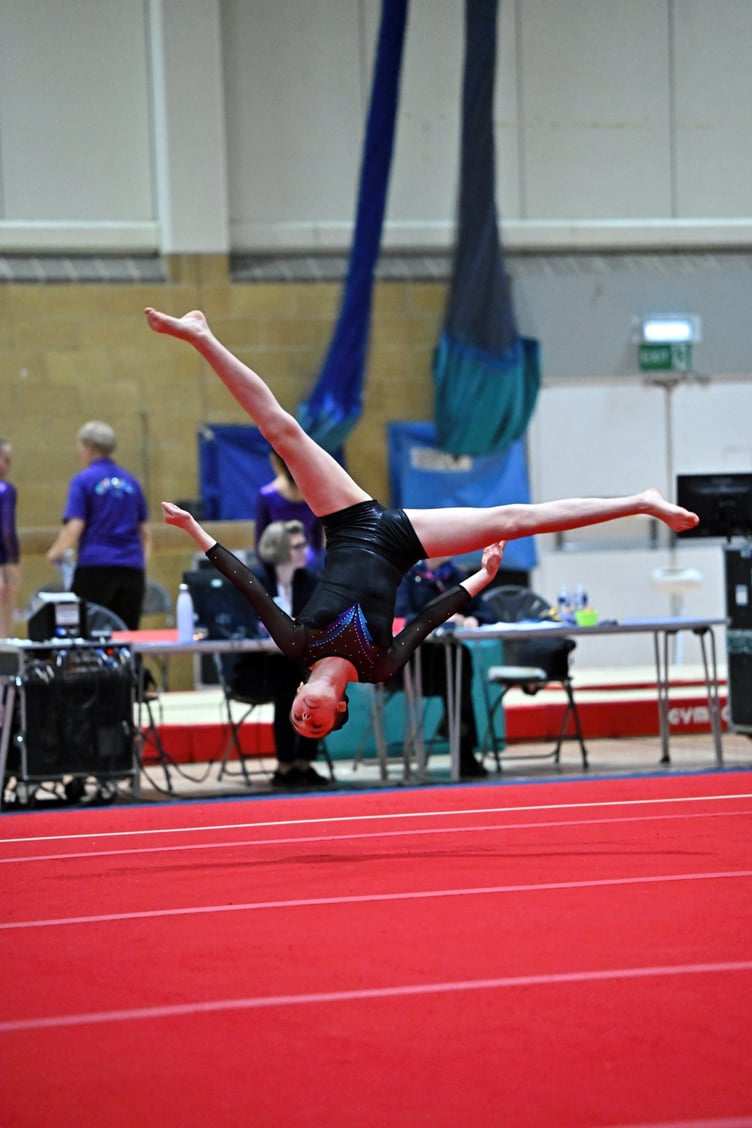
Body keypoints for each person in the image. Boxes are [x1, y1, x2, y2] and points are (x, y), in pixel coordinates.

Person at [144, 307, 700, 742]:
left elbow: (251, 586)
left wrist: (195, 531)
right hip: (404, 542)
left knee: (284, 435)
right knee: (515, 518)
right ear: (340, 708)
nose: (306, 715)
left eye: (297, 718)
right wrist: (482, 579)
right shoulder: (379, 666)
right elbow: (430, 616)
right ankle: (642, 502)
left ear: (296, 696)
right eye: (316, 724)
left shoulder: (297, 643)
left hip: (350, 519)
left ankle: (200, 335)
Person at [231, 519, 330, 788]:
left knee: (319, 686)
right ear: (279, 548)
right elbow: (242, 623)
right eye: (296, 546)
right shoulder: (256, 580)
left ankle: (303, 763)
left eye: (304, 545)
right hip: (258, 666)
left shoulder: (308, 580)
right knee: (288, 685)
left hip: (296, 662)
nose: (304, 551)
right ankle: (287, 764)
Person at [393, 555, 491, 779]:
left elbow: (487, 612)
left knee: (459, 658)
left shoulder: (457, 577)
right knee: (458, 662)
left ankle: (462, 744)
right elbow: (401, 616)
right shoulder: (408, 578)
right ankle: (460, 742)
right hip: (414, 663)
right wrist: (440, 618)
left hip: (450, 663)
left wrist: (472, 619)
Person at [46, 421, 151, 629]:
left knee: (83, 634)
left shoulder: (83, 480)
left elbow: (75, 525)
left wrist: (55, 552)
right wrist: (139, 562)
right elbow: (145, 533)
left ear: (88, 447)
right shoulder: (131, 482)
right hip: (132, 570)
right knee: (127, 636)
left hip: (96, 567)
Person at [255, 452, 324, 568]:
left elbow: (260, 537)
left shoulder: (267, 494)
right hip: (304, 559)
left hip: (284, 561)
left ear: (274, 461)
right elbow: (318, 537)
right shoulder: (314, 491)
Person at [0, 438, 20, 639]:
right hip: (3, 563)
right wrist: (8, 569)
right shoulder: (5, 490)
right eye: (5, 459)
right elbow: (6, 530)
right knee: (3, 632)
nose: (8, 465)